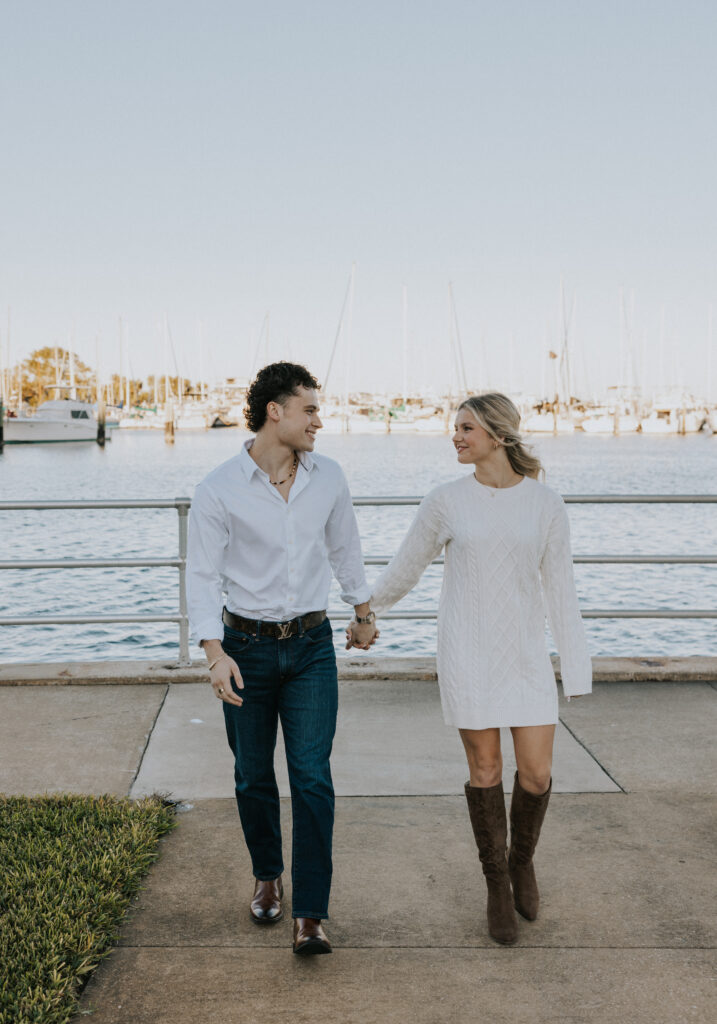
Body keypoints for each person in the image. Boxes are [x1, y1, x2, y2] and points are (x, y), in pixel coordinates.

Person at [367, 392, 591, 945]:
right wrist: (366, 611)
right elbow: (407, 566)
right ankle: (496, 884)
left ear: (497, 434)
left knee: (536, 774)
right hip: (467, 652)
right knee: (485, 770)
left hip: (524, 658)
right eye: (455, 428)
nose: (456, 436)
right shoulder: (446, 500)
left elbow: (561, 590)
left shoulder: (545, 504)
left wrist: (576, 669)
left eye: (466, 427)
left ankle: (521, 861)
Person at [186, 361, 378, 955]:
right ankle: (268, 875)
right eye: (310, 409)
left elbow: (345, 548)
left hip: (313, 648)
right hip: (243, 648)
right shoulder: (218, 487)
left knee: (313, 777)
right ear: (277, 411)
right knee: (252, 776)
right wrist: (214, 653)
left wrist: (363, 614)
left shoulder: (329, 477)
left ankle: (311, 914)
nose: (320, 420)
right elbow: (201, 576)